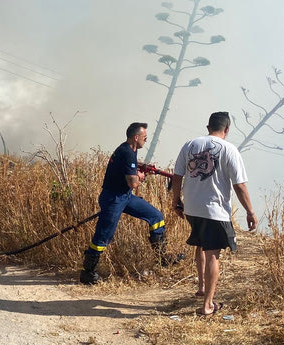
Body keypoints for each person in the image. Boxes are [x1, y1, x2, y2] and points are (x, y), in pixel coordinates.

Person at [170, 111, 257, 316]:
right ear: (226, 129)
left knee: (200, 244)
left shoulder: (190, 144)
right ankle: (208, 305)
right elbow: (239, 186)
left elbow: (177, 176)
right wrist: (250, 212)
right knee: (213, 254)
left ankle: (201, 287)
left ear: (208, 127)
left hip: (192, 208)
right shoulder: (230, 150)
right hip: (214, 210)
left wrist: (176, 201)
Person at [80, 122, 171, 285]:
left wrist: (138, 170)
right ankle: (88, 273)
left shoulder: (130, 150)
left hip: (125, 197)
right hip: (114, 198)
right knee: (103, 236)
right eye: (144, 137)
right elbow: (133, 184)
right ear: (136, 137)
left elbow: (127, 172)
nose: (146, 139)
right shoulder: (127, 152)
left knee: (156, 217)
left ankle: (162, 259)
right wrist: (140, 176)